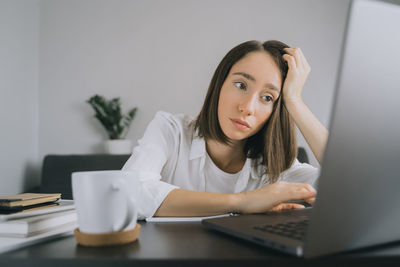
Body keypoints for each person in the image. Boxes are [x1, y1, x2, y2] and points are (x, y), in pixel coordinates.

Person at [122, 40, 328, 219]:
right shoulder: (169, 131)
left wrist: (294, 101)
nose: (247, 108)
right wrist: (243, 202)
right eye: (240, 85)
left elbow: (352, 189)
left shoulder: (276, 166)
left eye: (267, 98)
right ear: (219, 84)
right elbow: (128, 193)